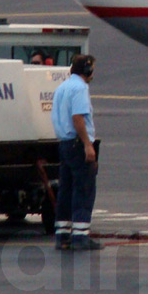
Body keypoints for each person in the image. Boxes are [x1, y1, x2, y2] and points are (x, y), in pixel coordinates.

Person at [50, 54, 102, 251]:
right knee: (84, 189)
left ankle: (62, 235)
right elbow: (78, 118)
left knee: (66, 190)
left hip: (64, 144)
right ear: (87, 70)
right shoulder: (80, 88)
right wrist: (88, 145)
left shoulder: (62, 87)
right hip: (77, 144)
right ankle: (80, 237)